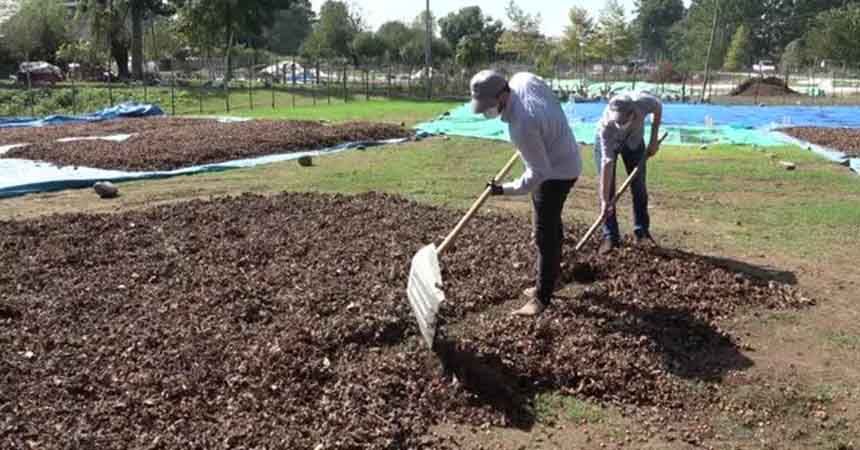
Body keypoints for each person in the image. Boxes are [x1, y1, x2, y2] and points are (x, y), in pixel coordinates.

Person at [469, 70, 582, 317]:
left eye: (489, 105)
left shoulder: (522, 125)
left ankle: (541, 297)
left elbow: (538, 173)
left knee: (543, 233)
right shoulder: (522, 79)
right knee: (551, 224)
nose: (488, 111)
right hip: (563, 153)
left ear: (502, 95)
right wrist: (544, 133)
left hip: (557, 172)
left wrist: (502, 189)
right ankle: (553, 278)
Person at [593, 92, 663, 255]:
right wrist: (605, 201)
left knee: (639, 187)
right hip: (609, 143)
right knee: (608, 191)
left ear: (632, 114)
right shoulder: (606, 126)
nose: (619, 125)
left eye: (623, 122)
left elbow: (658, 108)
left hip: (634, 142)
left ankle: (642, 232)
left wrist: (653, 139)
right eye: (617, 121)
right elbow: (607, 162)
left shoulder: (644, 103)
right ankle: (610, 236)